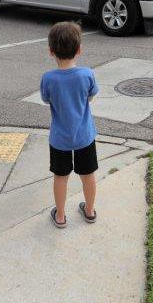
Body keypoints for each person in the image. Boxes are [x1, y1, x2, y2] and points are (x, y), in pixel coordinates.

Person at [40, 22, 99, 228]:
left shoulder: (48, 79)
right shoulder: (88, 74)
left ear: (51, 51)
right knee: (88, 174)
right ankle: (90, 210)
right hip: (84, 135)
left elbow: (47, 100)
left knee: (60, 176)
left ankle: (60, 216)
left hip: (59, 139)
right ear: (79, 50)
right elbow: (90, 96)